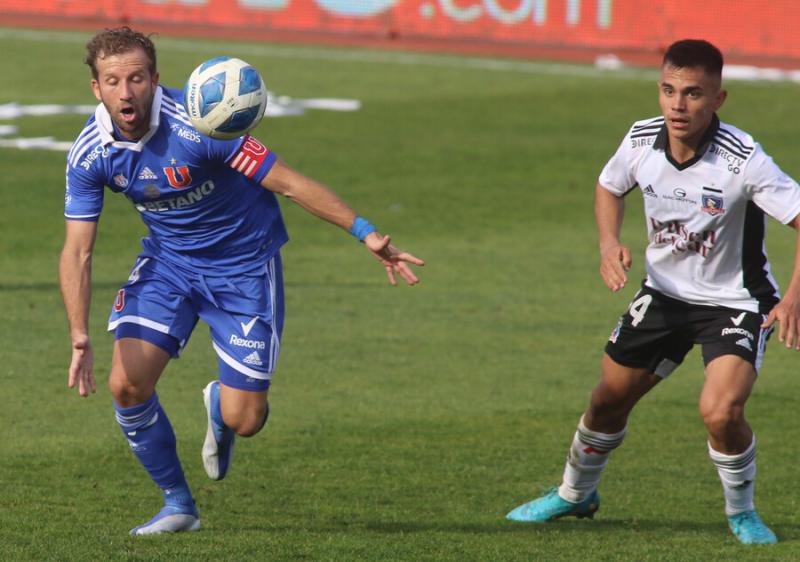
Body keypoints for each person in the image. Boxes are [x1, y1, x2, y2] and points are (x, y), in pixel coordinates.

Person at [59, 27, 424, 535]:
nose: (127, 92)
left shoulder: (204, 125)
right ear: (96, 88)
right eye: (114, 81)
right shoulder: (90, 153)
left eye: (137, 78)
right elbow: (78, 249)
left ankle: (221, 407)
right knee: (126, 385)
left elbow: (290, 184)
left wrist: (366, 233)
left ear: (155, 79)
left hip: (244, 268)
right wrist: (79, 335)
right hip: (170, 267)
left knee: (245, 420)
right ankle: (178, 505)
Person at [506, 39, 800, 545]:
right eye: (668, 90)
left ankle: (742, 513)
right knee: (606, 403)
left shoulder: (743, 159)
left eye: (692, 94)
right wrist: (607, 243)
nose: (677, 105)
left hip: (733, 302)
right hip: (663, 295)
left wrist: (792, 297)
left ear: (718, 99)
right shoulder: (641, 139)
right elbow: (608, 185)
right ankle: (576, 494)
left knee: (720, 411)